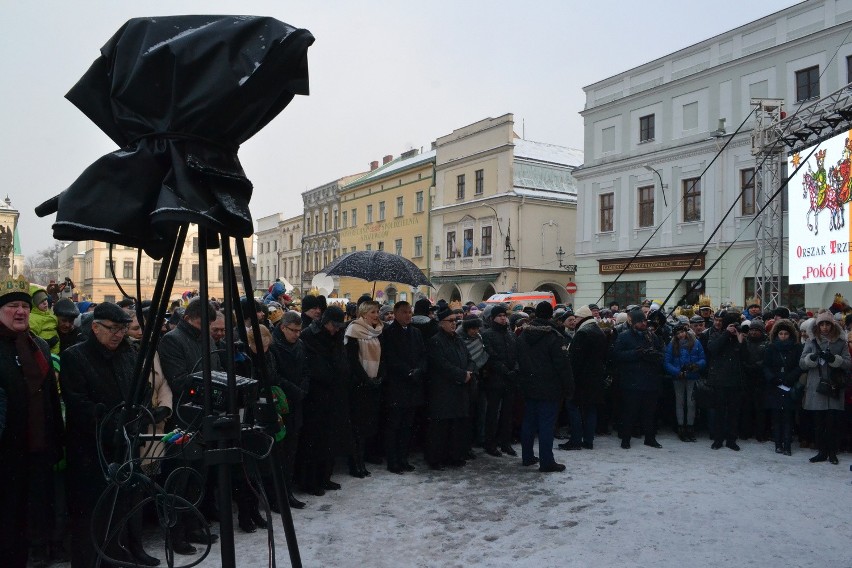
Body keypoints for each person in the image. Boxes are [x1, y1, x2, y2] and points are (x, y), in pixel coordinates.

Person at [61, 302, 160, 567]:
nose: (118, 334)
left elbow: (143, 389)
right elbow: (78, 403)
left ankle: (117, 558)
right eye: (112, 328)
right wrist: (111, 421)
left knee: (121, 511)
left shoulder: (129, 353)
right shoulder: (75, 356)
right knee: (91, 516)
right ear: (95, 327)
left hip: (126, 447)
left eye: (122, 328)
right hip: (90, 451)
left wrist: (140, 416)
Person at [0, 276, 64, 568]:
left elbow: (50, 396)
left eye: (24, 306)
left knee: (33, 516)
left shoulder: (38, 345)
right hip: (5, 454)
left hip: (36, 450)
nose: (20, 311)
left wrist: (57, 442)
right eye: (12, 305)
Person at [299, 306, 351, 495]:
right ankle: (310, 481)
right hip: (316, 396)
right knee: (314, 440)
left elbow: (341, 360)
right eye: (333, 326)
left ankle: (325, 477)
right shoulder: (308, 336)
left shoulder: (336, 336)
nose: (336, 330)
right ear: (325, 322)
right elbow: (311, 367)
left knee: (330, 439)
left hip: (335, 395)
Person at [516, 301, 573, 472]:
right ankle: (546, 461)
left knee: (529, 423)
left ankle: (527, 456)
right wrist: (569, 387)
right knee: (546, 425)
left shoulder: (523, 335)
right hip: (550, 387)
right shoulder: (554, 337)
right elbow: (563, 366)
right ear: (551, 316)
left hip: (528, 384)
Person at [269, 310, 309, 509]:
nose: (297, 334)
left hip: (297, 403)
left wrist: (303, 387)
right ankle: (277, 497)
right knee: (279, 453)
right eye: (293, 330)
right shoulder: (273, 346)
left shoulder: (300, 345)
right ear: (283, 327)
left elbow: (305, 370)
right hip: (281, 404)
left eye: (299, 331)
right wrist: (295, 390)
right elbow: (274, 376)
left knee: (291, 452)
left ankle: (287, 493)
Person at [799, 311, 850, 464]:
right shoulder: (811, 341)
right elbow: (801, 363)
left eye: (827, 324)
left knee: (833, 423)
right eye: (822, 324)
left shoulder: (841, 342)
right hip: (817, 386)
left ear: (832, 325)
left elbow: (848, 363)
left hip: (834, 386)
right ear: (817, 326)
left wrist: (835, 359)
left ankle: (833, 452)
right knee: (819, 423)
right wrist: (811, 358)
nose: (825, 327)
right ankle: (822, 451)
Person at [381, 301, 426, 474]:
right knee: (394, 426)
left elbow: (423, 355)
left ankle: (404, 458)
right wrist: (407, 371)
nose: (408, 315)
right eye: (405, 312)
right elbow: (390, 358)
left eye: (410, 312)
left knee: (408, 426)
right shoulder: (389, 333)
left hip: (413, 386)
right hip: (397, 386)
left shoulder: (416, 332)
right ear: (396, 313)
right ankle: (393, 461)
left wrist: (419, 370)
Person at [426, 308, 472, 470]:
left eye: (455, 321)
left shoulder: (458, 339)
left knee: (457, 426)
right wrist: (461, 374)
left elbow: (469, 358)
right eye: (450, 321)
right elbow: (441, 365)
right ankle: (436, 458)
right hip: (443, 390)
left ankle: (454, 456)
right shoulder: (436, 341)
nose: (454, 324)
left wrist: (469, 371)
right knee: (441, 427)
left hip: (460, 389)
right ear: (441, 323)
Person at [612, 309, 665, 449]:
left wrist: (653, 356)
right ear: (633, 323)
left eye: (645, 321)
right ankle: (626, 438)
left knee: (649, 413)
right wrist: (636, 353)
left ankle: (650, 438)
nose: (644, 323)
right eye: (640, 321)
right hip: (631, 381)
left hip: (650, 380)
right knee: (630, 412)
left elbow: (661, 353)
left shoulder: (652, 336)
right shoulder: (624, 336)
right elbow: (617, 355)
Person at [344, 300, 384, 478]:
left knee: (368, 425)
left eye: (377, 312)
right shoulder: (354, 330)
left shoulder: (378, 331)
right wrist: (366, 379)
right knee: (357, 427)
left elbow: (383, 357)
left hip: (373, 383)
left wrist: (378, 377)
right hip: (359, 384)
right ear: (364, 313)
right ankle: (355, 463)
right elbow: (352, 360)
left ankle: (363, 460)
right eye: (373, 312)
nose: (377, 315)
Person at [561, 305, 608, 451]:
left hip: (581, 379)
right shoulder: (599, 331)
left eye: (576, 318)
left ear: (581, 318)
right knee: (590, 409)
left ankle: (575, 440)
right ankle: (588, 440)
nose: (574, 321)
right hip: (596, 378)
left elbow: (575, 359)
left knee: (573, 406)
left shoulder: (583, 333)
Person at [480, 305, 519, 457]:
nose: (503, 318)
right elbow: (490, 356)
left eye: (505, 315)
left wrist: (515, 368)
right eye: (500, 315)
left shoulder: (510, 335)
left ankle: (505, 443)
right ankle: (490, 443)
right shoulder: (487, 334)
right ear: (493, 318)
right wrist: (505, 370)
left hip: (510, 380)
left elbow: (516, 355)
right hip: (495, 379)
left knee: (507, 413)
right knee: (492, 413)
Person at [707, 311, 746, 451]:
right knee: (719, 412)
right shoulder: (716, 334)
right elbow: (713, 348)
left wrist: (740, 341)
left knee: (733, 412)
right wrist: (726, 334)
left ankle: (731, 439)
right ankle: (718, 439)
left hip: (735, 380)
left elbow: (744, 357)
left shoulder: (739, 336)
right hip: (719, 379)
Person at [763, 319, 803, 456]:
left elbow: (799, 366)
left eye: (786, 333)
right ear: (776, 334)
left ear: (791, 334)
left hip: (789, 385)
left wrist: (790, 378)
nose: (783, 336)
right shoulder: (771, 347)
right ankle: (778, 444)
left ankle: (787, 444)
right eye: (781, 333)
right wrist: (773, 378)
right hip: (774, 385)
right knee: (776, 417)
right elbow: (766, 365)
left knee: (788, 417)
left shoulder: (797, 348)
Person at [663, 323, 706, 442]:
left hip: (692, 376)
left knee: (691, 403)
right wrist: (676, 372)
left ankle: (690, 427)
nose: (680, 335)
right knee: (680, 402)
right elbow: (667, 362)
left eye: (682, 332)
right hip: (678, 377)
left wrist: (696, 365)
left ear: (686, 331)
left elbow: (703, 358)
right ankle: (681, 427)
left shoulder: (696, 342)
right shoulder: (672, 344)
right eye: (677, 334)